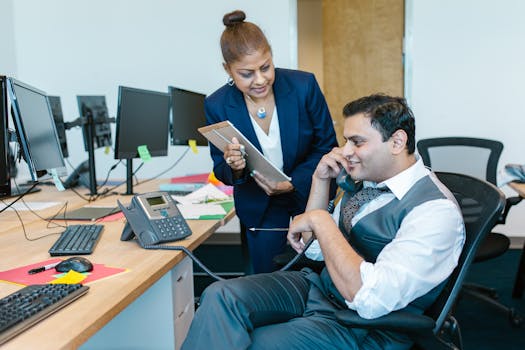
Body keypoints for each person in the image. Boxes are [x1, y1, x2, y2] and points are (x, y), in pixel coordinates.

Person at [182, 94, 466, 349]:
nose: (344, 151)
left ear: (397, 142)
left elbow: (369, 299)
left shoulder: (434, 212)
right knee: (220, 296)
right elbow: (312, 248)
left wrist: (322, 221)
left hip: (366, 327)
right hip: (319, 287)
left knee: (255, 343)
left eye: (357, 142)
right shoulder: (370, 180)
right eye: (346, 141)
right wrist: (320, 180)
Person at [205, 10, 337, 273]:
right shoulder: (217, 104)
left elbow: (326, 146)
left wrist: (291, 183)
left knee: (316, 283)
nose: (261, 79)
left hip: (309, 199)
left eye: (266, 67)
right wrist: (234, 165)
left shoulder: (303, 86)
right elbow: (221, 169)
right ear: (227, 69)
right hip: (261, 215)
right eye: (247, 73)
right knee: (266, 289)